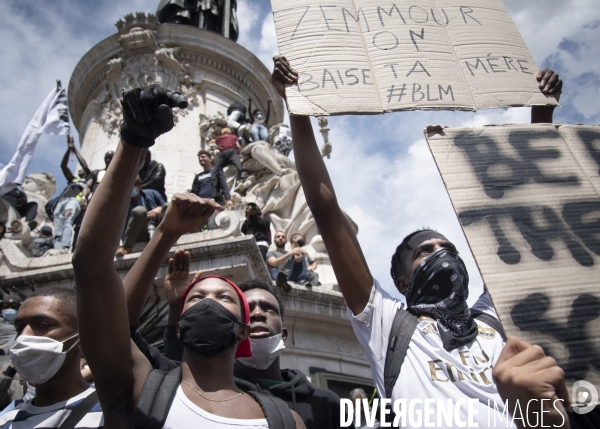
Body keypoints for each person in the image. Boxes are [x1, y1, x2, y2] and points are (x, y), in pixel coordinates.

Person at [270, 57, 570, 428]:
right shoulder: (386, 325)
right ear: (401, 282)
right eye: (425, 252)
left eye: (449, 249)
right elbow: (326, 210)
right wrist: (296, 109)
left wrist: (541, 111)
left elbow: (525, 219)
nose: (441, 254)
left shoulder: (495, 319)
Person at [72, 84, 305, 429]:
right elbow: (90, 267)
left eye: (224, 296)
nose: (208, 301)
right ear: (177, 326)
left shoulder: (286, 420)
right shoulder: (137, 386)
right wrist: (133, 143)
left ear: (244, 331)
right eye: (196, 297)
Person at [0, 286, 102, 428]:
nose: (23, 337)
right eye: (19, 328)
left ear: (82, 337)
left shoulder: (110, 414)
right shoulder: (6, 421)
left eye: (42, 325)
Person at [51, 135, 91, 251]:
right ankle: (57, 248)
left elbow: (84, 165)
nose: (79, 170)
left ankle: (65, 246)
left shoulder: (88, 180)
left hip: (75, 201)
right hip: (62, 201)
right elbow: (63, 166)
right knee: (58, 223)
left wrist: (74, 150)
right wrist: (69, 149)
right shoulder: (73, 180)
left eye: (82, 170)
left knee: (67, 217)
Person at [116, 176, 165, 257]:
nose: (131, 189)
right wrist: (148, 215)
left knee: (168, 206)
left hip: (156, 229)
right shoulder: (123, 203)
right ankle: (126, 247)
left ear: (139, 186)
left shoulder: (152, 194)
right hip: (136, 235)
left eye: (133, 186)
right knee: (140, 211)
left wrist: (159, 209)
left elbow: (167, 207)